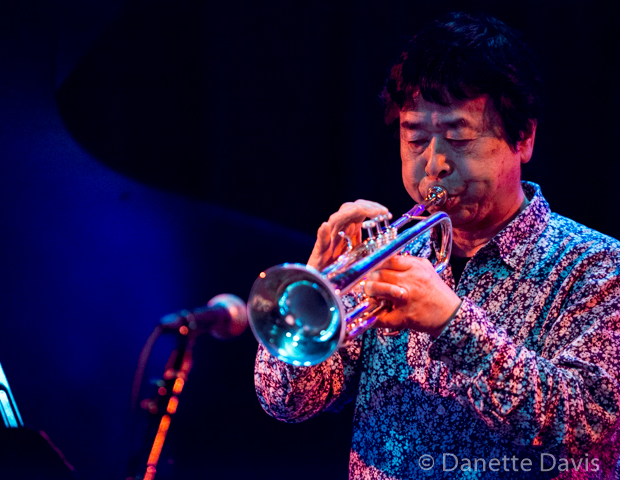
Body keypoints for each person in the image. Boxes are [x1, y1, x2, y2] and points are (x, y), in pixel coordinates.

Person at [254, 12, 620, 479]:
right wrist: (319, 282)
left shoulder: (600, 267)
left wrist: (452, 323)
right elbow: (287, 402)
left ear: (523, 137)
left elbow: (582, 424)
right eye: (416, 138)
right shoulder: (386, 258)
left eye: (458, 137)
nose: (435, 163)